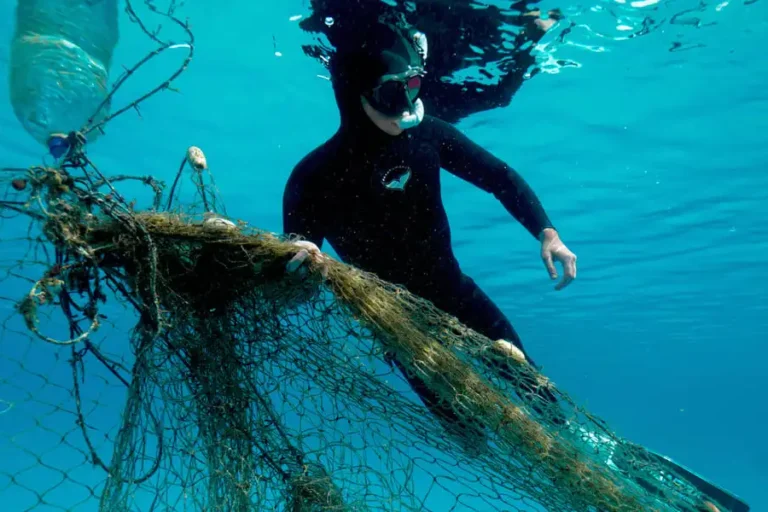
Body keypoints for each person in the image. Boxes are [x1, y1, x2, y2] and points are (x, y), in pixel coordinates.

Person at [282, 15, 576, 433]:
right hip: (393, 320)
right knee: (462, 427)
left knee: (534, 388)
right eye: (390, 94)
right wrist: (301, 268)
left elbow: (499, 177)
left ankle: (581, 460)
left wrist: (547, 233)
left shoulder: (428, 136)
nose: (406, 105)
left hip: (455, 291)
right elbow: (294, 270)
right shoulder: (312, 178)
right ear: (353, 95)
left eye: (414, 87)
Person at [298, 0, 563, 124]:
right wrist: (529, 43)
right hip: (462, 33)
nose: (403, 108)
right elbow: (500, 95)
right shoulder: (431, 101)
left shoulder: (345, 33)